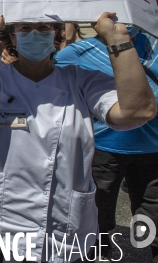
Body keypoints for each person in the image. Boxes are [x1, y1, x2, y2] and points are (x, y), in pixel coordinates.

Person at [0, 9, 156, 262]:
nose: (35, 35)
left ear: (57, 35)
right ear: (13, 37)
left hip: (65, 224)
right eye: (25, 29)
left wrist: (118, 39)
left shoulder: (80, 79)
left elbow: (139, 111)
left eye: (44, 29)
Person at [54, 25, 158, 261]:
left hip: (153, 148)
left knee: (153, 212)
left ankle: (152, 250)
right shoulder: (75, 54)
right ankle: (99, 250)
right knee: (97, 209)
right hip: (102, 148)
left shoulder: (154, 46)